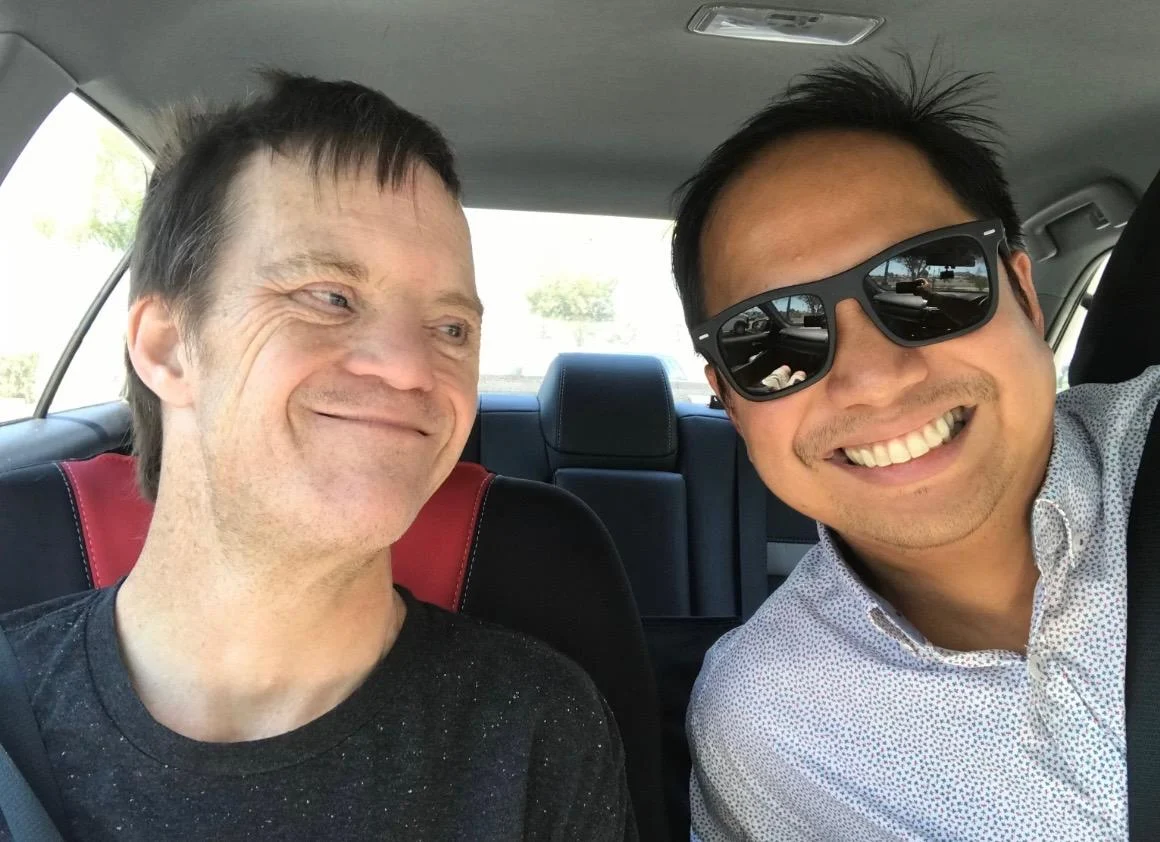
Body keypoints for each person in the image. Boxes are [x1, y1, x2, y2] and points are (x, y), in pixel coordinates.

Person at [0, 72, 634, 841]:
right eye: (329, 296)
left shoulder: (539, 730)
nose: (410, 367)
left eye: (451, 329)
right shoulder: (13, 713)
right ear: (168, 348)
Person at [672, 55, 1157, 840]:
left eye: (930, 282)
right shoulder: (761, 730)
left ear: (1026, 295)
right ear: (729, 401)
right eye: (773, 338)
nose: (872, 378)